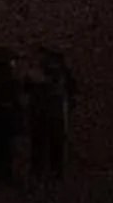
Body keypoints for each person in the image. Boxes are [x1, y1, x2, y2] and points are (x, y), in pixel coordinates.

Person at [26, 46, 77, 182]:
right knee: (48, 144)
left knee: (47, 144)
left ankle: (46, 171)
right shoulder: (56, 73)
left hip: (49, 113)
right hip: (49, 113)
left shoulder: (50, 74)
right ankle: (49, 171)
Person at [0, 47, 25, 185]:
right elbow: (4, 94)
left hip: (1, 115)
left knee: (1, 144)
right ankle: (1, 173)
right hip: (3, 115)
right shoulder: (0, 75)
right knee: (3, 145)